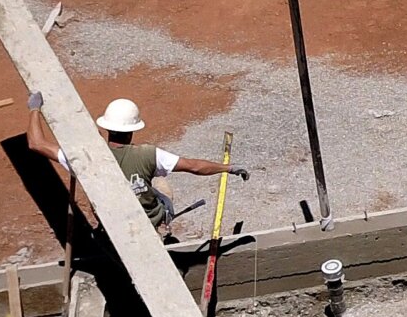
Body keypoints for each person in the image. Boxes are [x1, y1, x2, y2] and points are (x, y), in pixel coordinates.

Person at [24, 94, 247, 237]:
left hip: (110, 220)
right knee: (161, 183)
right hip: (147, 219)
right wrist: (228, 168)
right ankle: (162, 225)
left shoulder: (86, 161)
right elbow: (194, 167)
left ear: (107, 128)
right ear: (133, 130)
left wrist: (35, 109)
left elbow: (36, 144)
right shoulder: (149, 154)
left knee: (148, 183)